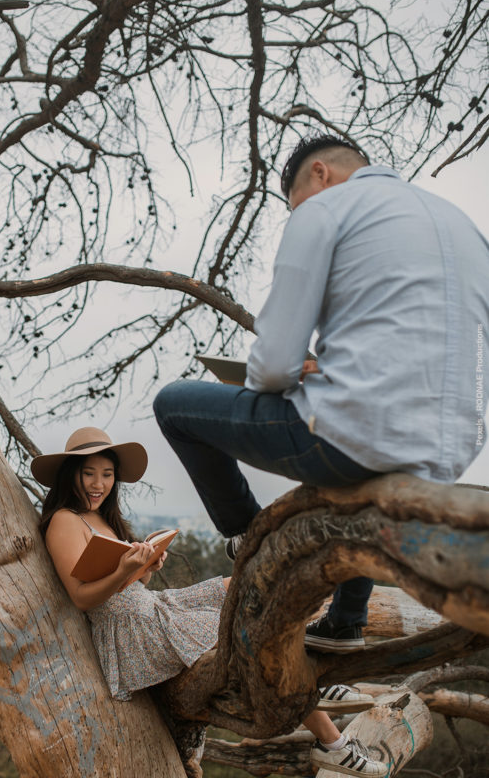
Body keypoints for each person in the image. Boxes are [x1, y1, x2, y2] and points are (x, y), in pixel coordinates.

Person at [154, 134, 489, 653]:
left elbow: (273, 363)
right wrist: (332, 371)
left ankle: (250, 538)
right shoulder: (462, 225)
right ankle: (347, 620)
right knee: (365, 465)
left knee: (173, 405)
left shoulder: (326, 207)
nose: (296, 215)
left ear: (319, 174)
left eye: (293, 205)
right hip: (450, 450)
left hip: (350, 438)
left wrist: (290, 372)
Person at [32, 425, 389, 778]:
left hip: (156, 607)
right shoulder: (65, 521)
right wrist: (128, 569)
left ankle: (316, 673)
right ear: (70, 475)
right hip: (132, 632)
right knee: (243, 627)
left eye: (107, 475)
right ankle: (332, 740)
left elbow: (127, 583)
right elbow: (81, 597)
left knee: (243, 585)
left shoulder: (103, 519)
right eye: (89, 474)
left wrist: (146, 567)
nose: (99, 484)